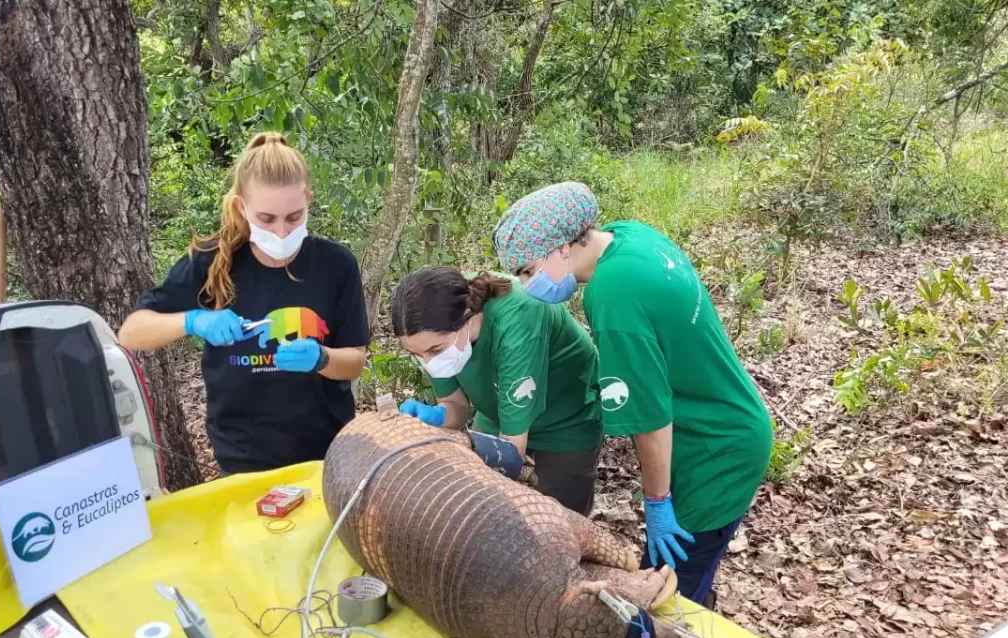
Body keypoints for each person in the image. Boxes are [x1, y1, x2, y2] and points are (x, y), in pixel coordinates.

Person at [490, 181, 772, 607]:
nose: (527, 284)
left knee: (668, 595)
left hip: (715, 451)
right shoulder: (628, 235)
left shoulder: (612, 294)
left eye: (528, 270)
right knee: (686, 572)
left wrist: (656, 502)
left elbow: (650, 416)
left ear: (562, 247)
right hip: (730, 418)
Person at [118, 132, 368, 475]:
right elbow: (131, 333)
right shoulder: (210, 260)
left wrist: (321, 358)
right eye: (266, 219)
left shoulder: (336, 265)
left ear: (309, 199)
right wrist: (193, 321)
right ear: (241, 207)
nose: (281, 232)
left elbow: (354, 361)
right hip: (243, 456)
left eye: (294, 217)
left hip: (325, 452)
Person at [391, 267, 604, 515]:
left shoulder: (518, 316)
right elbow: (455, 408)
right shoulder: (436, 326)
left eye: (435, 351)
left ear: (468, 317)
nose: (429, 362)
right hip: (496, 420)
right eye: (418, 354)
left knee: (556, 521)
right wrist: (434, 416)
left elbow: (511, 448)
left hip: (564, 424)